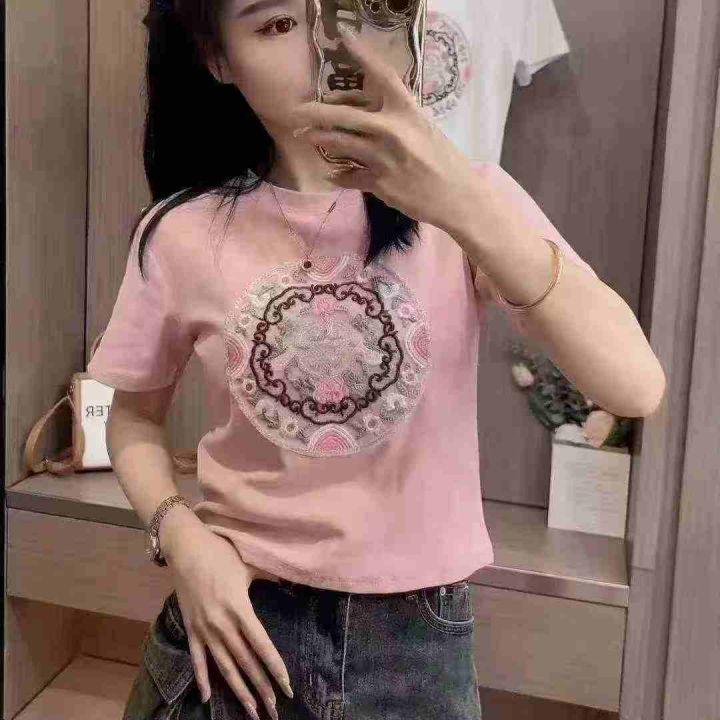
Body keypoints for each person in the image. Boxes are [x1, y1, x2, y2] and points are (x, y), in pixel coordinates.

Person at [87, 1, 666, 719]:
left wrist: (459, 201)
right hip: (236, 630)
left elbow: (634, 385)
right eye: (277, 25)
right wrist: (184, 542)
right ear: (217, 58)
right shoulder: (181, 231)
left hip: (416, 647)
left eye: (340, 9)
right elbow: (133, 420)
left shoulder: (470, 203)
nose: (324, 46)